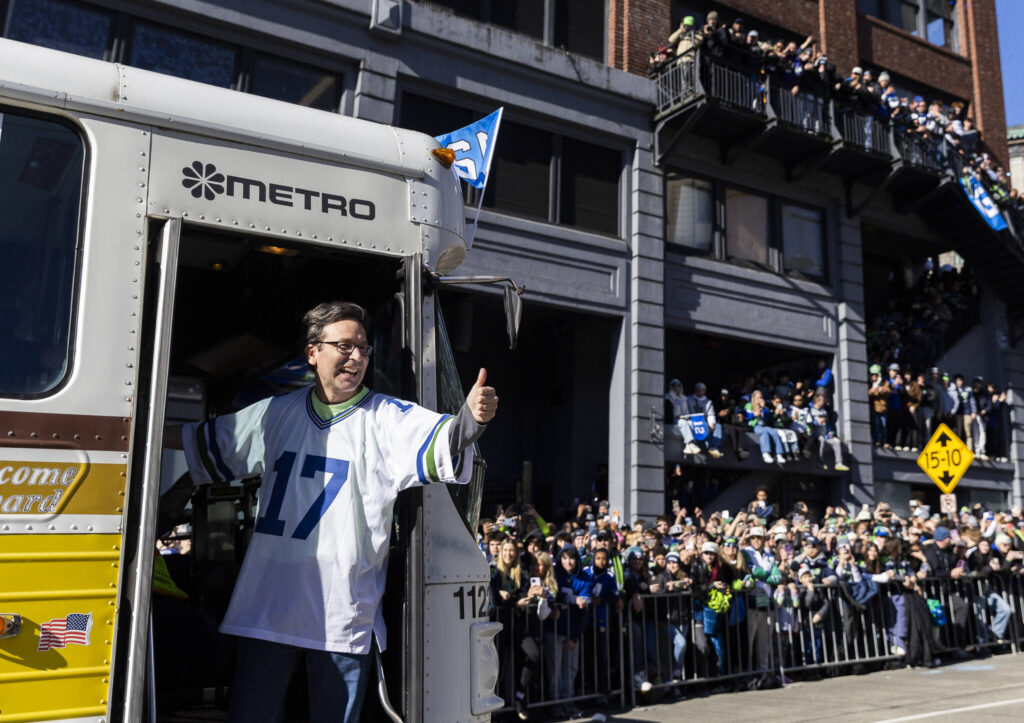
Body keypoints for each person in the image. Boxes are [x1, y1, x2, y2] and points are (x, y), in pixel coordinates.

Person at [163, 300, 498, 722]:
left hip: (342, 615)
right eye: (344, 346)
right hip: (267, 608)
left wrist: (472, 420)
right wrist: (128, 424)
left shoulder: (387, 419)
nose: (356, 357)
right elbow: (206, 441)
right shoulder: (275, 413)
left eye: (363, 348)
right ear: (312, 352)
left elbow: (447, 437)